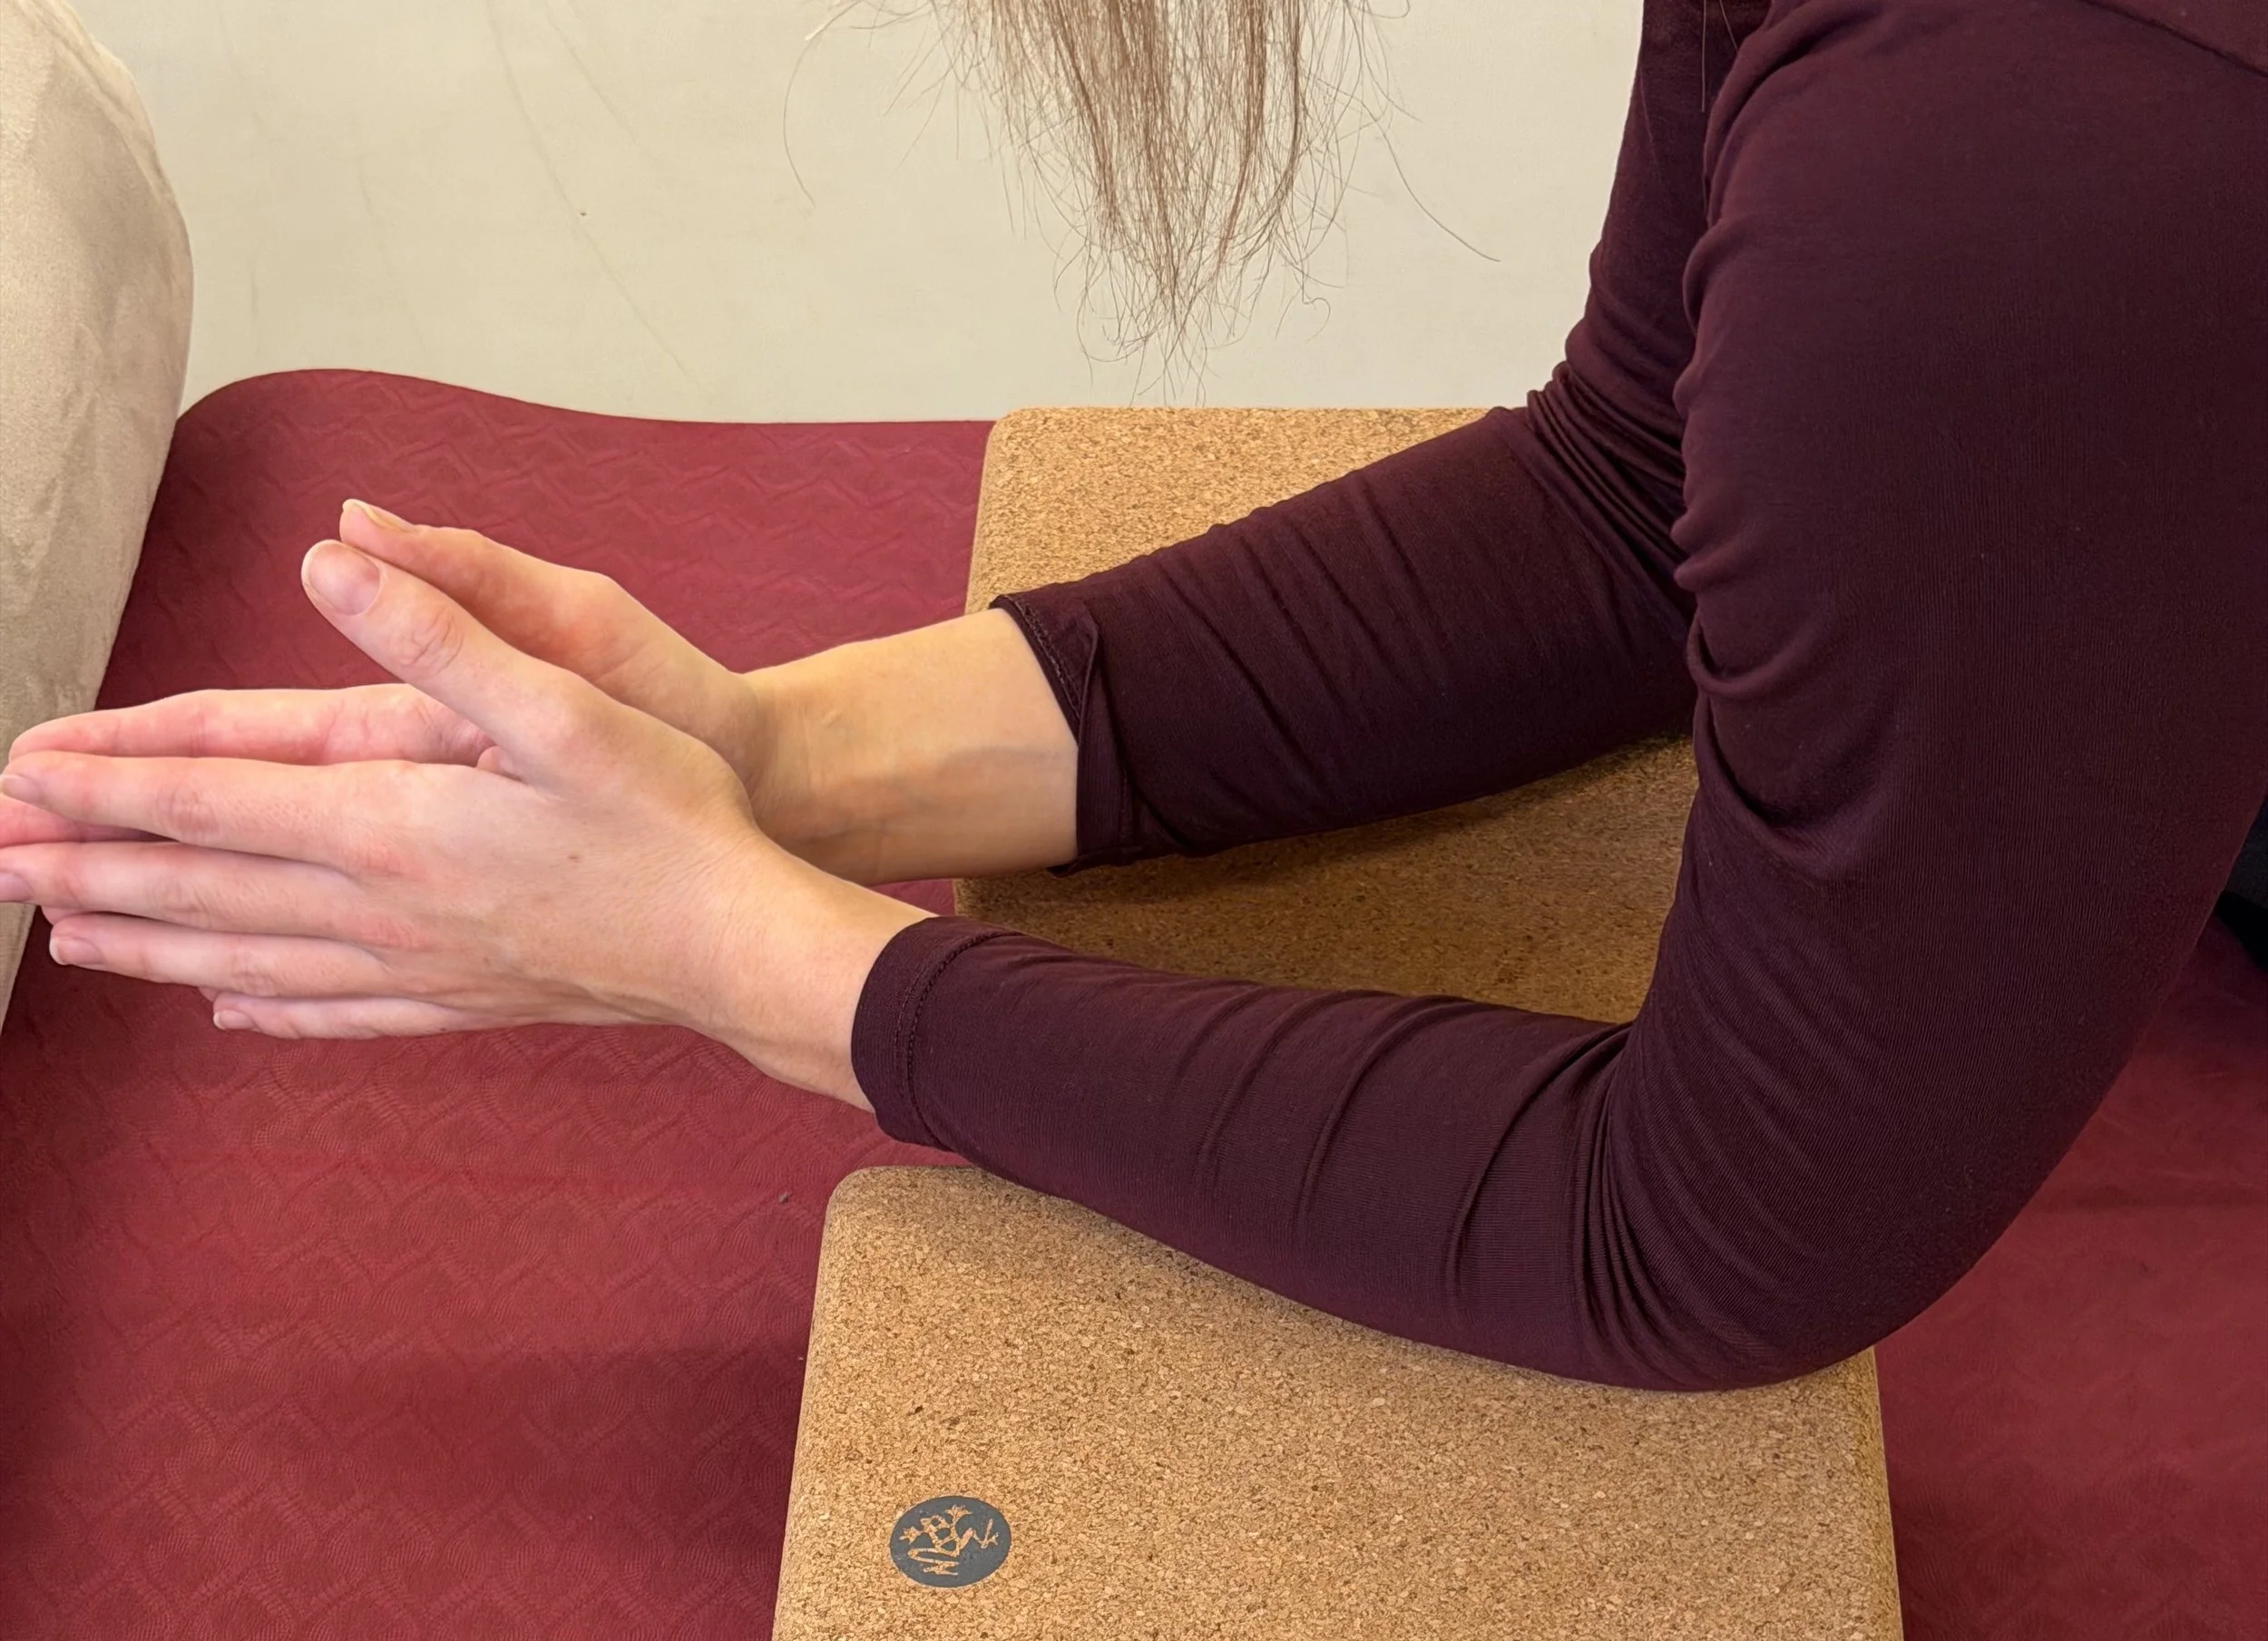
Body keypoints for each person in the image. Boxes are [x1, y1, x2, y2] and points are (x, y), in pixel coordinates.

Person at [0, 0, 2262, 1390]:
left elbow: (1700, 1245)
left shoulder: (2014, 168)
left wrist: (740, 957)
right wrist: (781, 760)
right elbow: (1643, 480)